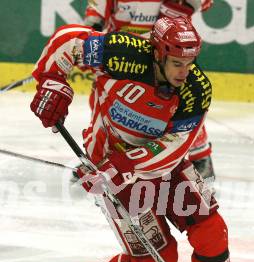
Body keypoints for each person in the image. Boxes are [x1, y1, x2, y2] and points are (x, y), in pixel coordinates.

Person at [30, 16, 254, 262]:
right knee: (156, 259)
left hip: (160, 166)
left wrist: (123, 166)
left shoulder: (196, 89)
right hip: (107, 163)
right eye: (177, 63)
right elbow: (67, 40)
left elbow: (175, 147)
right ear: (158, 54)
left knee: (211, 229)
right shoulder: (124, 52)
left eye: (190, 62)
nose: (185, 71)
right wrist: (52, 81)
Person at [83, 0, 215, 179]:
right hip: (124, 52)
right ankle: (102, 156)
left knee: (182, 102)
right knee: (105, 96)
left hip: (162, 51)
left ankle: (200, 155)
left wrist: (185, 8)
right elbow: (98, 8)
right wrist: (92, 28)